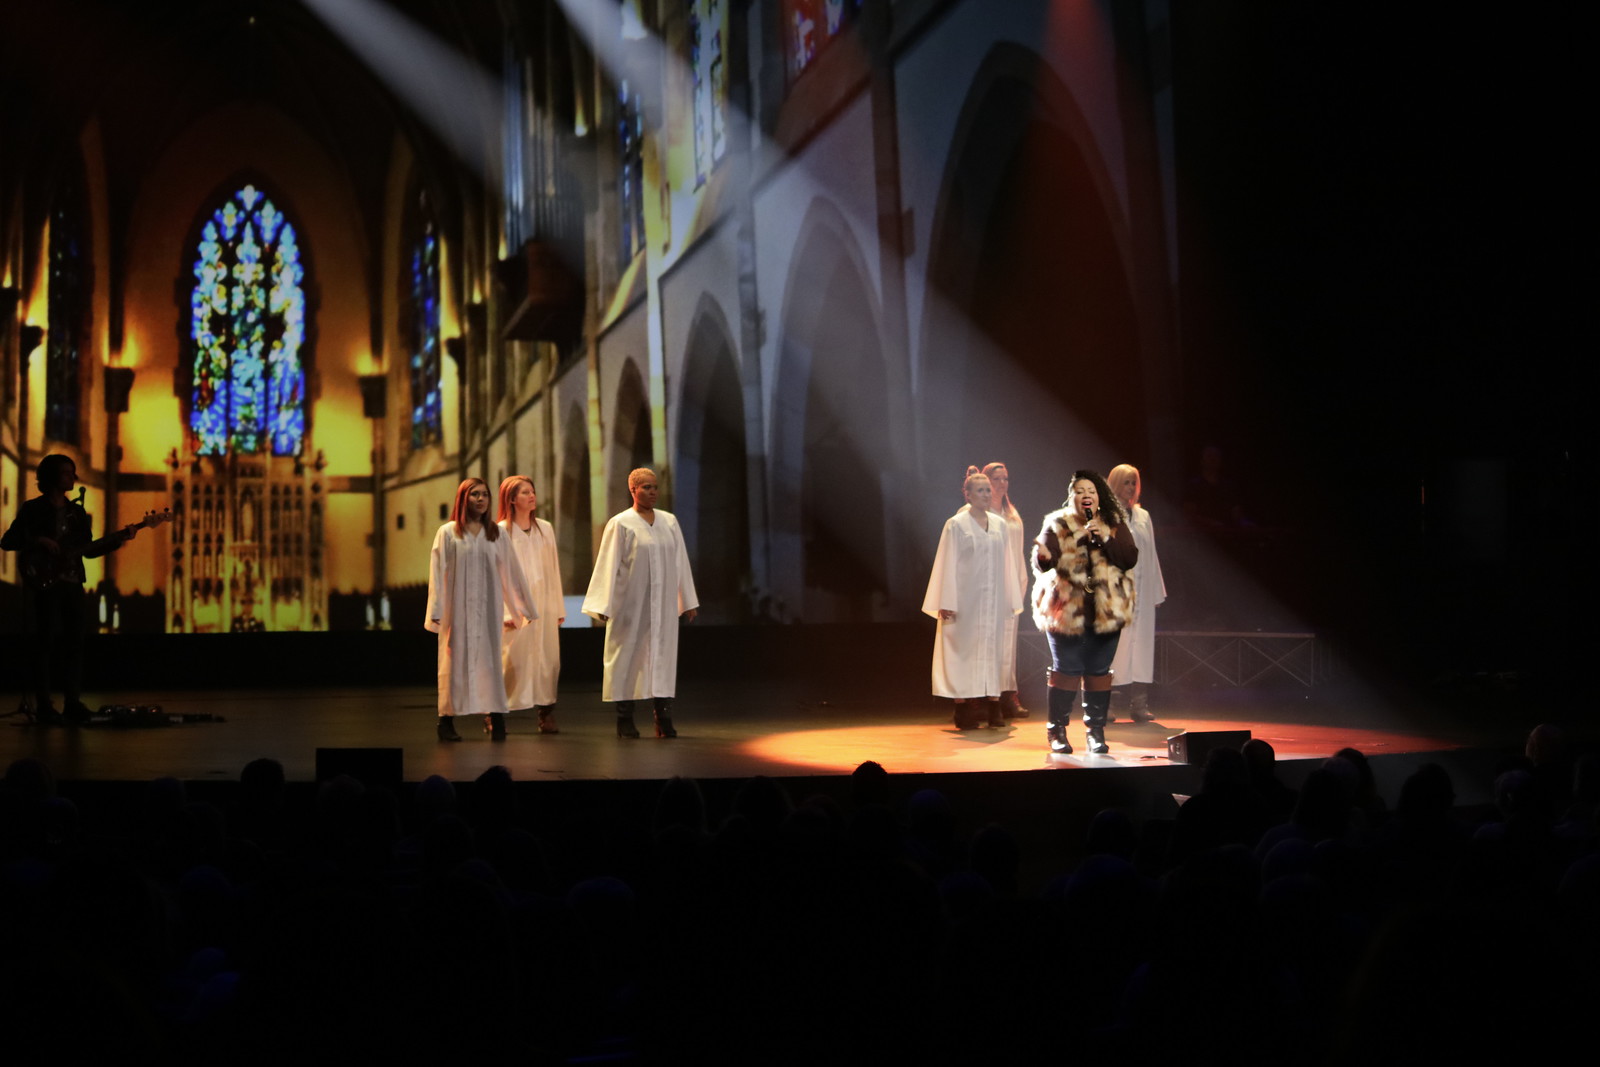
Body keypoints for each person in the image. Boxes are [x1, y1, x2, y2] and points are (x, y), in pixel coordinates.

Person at [1, 454, 140, 725]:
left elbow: (88, 550)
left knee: (75, 644)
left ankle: (72, 702)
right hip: (45, 585)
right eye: (67, 472)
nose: (72, 477)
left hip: (73, 584)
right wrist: (39, 540)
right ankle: (44, 705)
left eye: (73, 472)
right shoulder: (33, 509)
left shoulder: (77, 513)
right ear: (52, 477)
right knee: (45, 644)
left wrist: (120, 539)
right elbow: (8, 541)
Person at [582, 468, 699, 738]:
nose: (653, 492)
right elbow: (608, 564)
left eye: (655, 487)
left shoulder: (669, 522)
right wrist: (602, 604)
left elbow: (680, 562)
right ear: (633, 490)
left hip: (663, 605)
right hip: (631, 604)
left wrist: (687, 599)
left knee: (662, 656)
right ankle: (625, 718)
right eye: (646, 487)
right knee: (627, 657)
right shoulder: (621, 523)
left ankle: (663, 717)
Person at [1032, 469, 1138, 755]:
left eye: (1091, 491)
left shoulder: (1113, 523)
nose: (1086, 495)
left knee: (1099, 671)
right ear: (1071, 497)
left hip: (1106, 610)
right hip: (1067, 611)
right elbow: (1043, 561)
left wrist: (1105, 538)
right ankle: (1057, 730)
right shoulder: (1057, 523)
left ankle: (1095, 732)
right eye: (1080, 491)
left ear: (1099, 497)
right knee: (1066, 669)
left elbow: (1129, 558)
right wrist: (1043, 557)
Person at [425, 478, 536, 742]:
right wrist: (437, 611)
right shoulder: (448, 533)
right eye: (474, 494)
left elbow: (511, 573)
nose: (480, 499)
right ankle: (446, 721)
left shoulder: (496, 534)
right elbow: (437, 574)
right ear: (464, 499)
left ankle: (497, 719)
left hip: (487, 610)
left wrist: (524, 608)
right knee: (453, 664)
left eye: (484, 494)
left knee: (490, 664)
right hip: (457, 612)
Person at [924, 468, 1022, 729]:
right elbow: (946, 562)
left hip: (992, 600)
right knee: (963, 651)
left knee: (992, 650)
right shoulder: (956, 524)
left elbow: (1007, 564)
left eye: (988, 490)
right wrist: (946, 600)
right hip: (965, 599)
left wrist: (1011, 598)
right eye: (980, 490)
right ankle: (963, 707)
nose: (986, 494)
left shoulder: (1000, 525)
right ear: (967, 495)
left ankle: (994, 705)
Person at [497, 476, 564, 734]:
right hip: (514, 609)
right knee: (511, 661)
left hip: (544, 605)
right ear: (512, 499)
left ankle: (546, 711)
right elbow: (497, 575)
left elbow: (554, 569)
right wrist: (505, 611)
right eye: (525, 492)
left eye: (532, 491)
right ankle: (495, 712)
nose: (532, 495)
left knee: (547, 660)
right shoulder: (500, 532)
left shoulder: (545, 529)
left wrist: (557, 607)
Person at [1106, 463, 1166, 721]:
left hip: (1141, 591)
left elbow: (1151, 555)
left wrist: (1156, 591)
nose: (1130, 487)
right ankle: (1107, 704)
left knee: (1140, 648)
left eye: (1134, 483)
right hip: (1115, 592)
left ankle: (1139, 704)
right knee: (1115, 649)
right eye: (1126, 482)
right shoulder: (1105, 515)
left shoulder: (1143, 516)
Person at [980, 462, 1031, 720]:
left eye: (1005, 479)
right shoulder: (980, 514)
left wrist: (1021, 582)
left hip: (1011, 585)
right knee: (988, 644)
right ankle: (985, 700)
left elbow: (1018, 552)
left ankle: (1008, 696)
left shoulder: (1012, 514)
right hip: (988, 587)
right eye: (996, 479)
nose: (1002, 484)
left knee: (1008, 645)